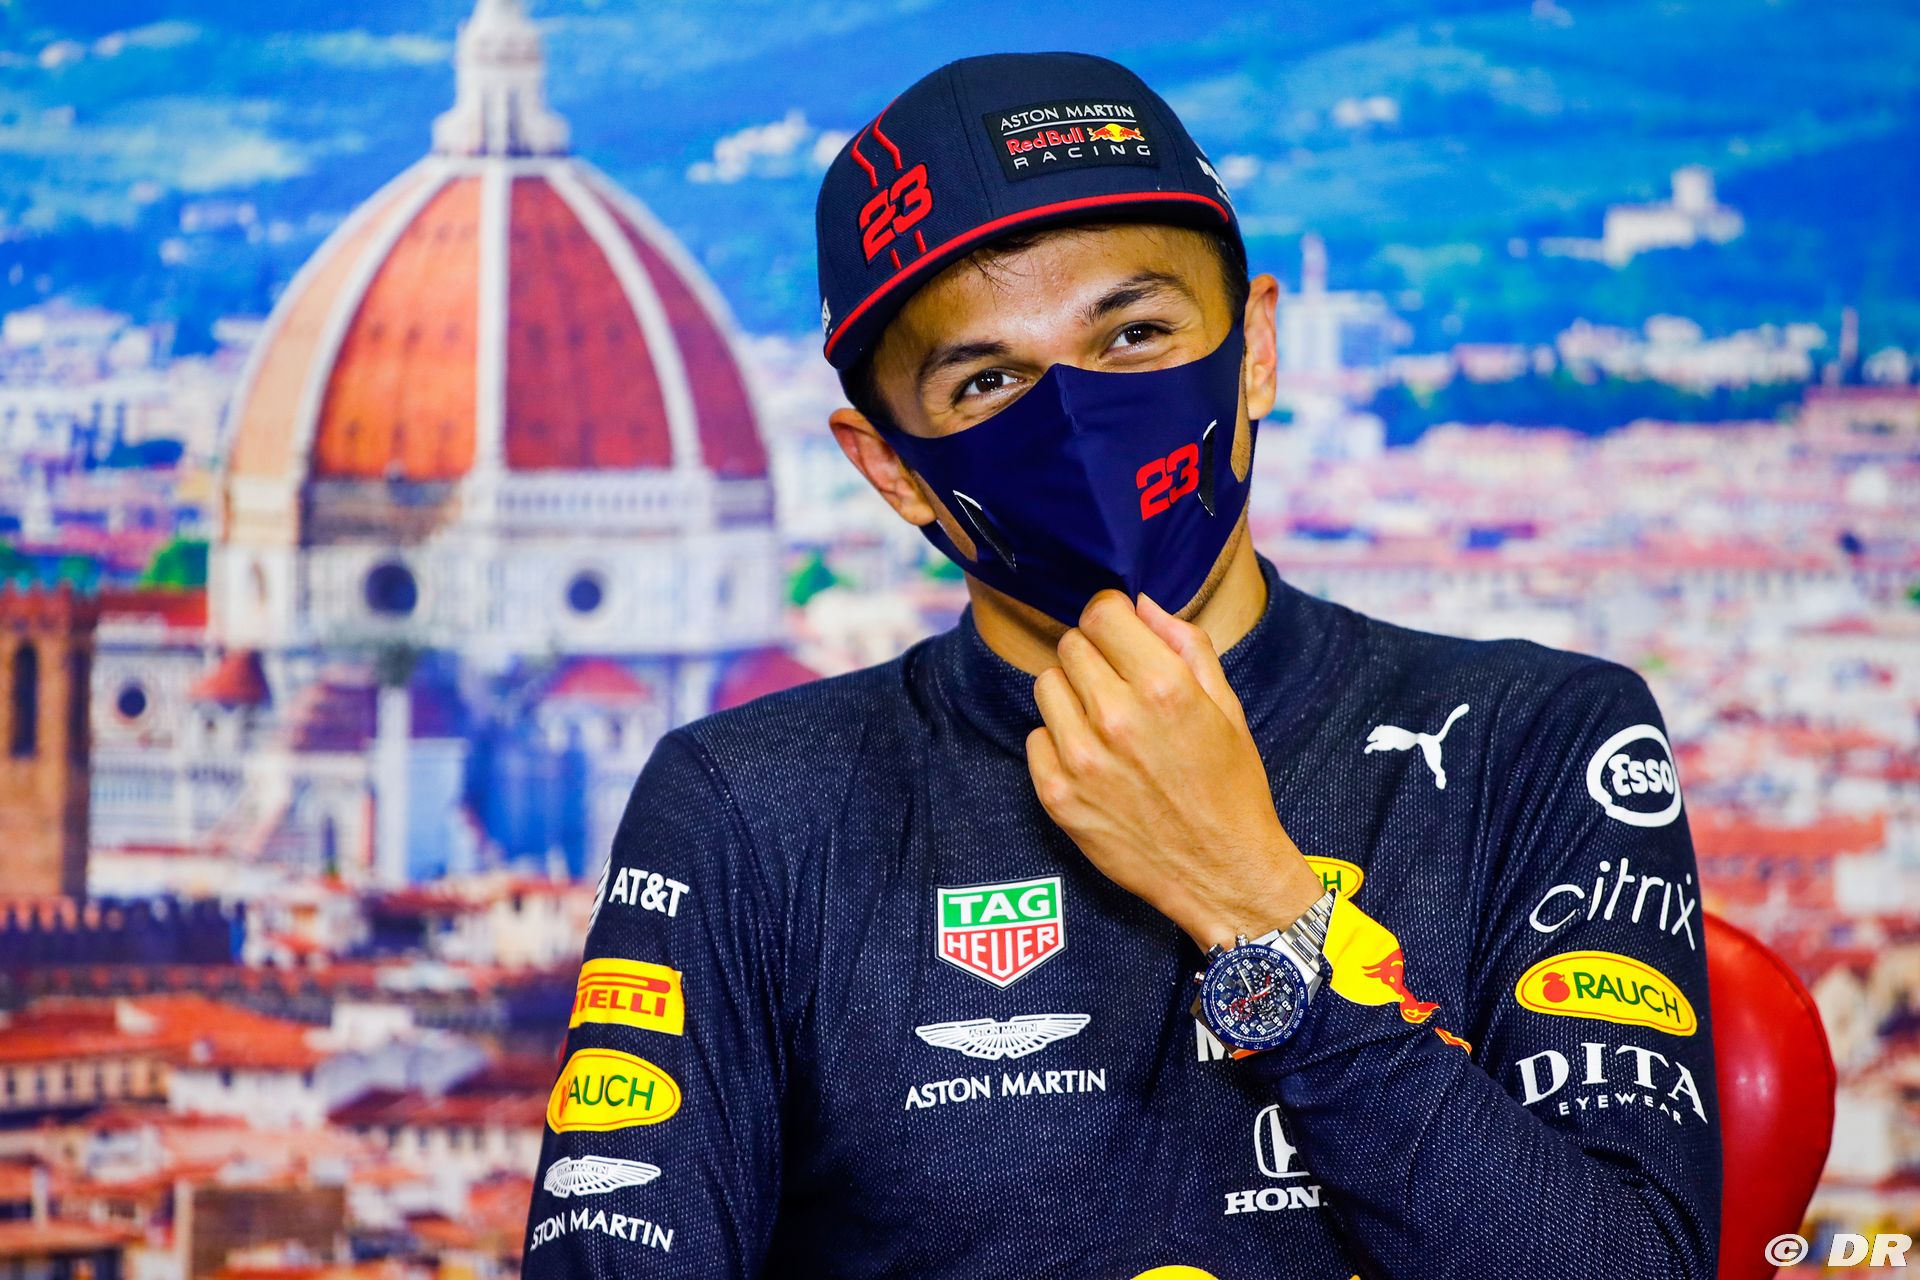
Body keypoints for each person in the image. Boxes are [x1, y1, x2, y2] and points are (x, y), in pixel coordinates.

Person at [522, 51, 1719, 1280]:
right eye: (989, 380)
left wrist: (1256, 905)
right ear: (890, 469)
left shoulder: (1538, 737)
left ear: (1257, 346)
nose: (1078, 421)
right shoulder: (750, 808)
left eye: (1136, 334)